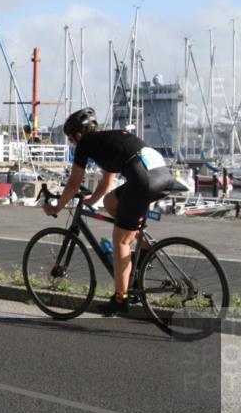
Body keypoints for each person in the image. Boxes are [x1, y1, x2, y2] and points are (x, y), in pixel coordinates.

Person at [43, 108, 174, 316]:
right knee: (110, 202)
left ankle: (120, 299)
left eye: (70, 139)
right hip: (162, 176)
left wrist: (56, 207)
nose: (72, 143)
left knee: (121, 241)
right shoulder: (108, 140)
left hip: (143, 182)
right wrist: (91, 201)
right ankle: (145, 249)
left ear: (78, 134)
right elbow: (107, 181)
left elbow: (74, 183)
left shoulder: (86, 143)